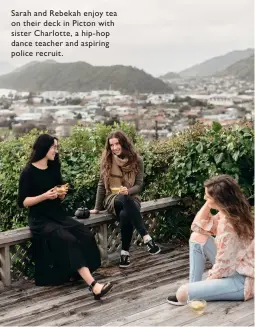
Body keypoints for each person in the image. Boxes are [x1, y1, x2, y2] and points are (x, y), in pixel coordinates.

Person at [18, 134, 113, 300]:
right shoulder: (28, 172)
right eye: (54, 147)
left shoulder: (54, 167)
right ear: (44, 148)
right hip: (40, 220)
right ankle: (93, 286)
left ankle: (77, 273)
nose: (56, 150)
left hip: (58, 216)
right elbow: (23, 201)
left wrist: (61, 194)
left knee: (85, 234)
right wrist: (44, 196)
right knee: (68, 240)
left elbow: (58, 188)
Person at [167, 174, 254, 305]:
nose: (204, 199)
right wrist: (208, 204)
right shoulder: (227, 213)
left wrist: (206, 285)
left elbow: (222, 266)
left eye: (207, 197)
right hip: (233, 269)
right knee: (196, 238)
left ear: (219, 199)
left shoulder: (228, 226)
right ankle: (194, 286)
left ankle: (193, 291)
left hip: (242, 282)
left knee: (182, 293)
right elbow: (197, 227)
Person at [90, 131, 161, 268]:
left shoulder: (137, 161)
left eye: (117, 144)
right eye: (111, 145)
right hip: (112, 199)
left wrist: (128, 191)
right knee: (123, 199)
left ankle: (125, 254)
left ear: (123, 143)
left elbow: (139, 185)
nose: (115, 147)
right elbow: (101, 184)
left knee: (125, 214)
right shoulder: (107, 161)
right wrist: (97, 208)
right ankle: (146, 237)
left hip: (131, 197)